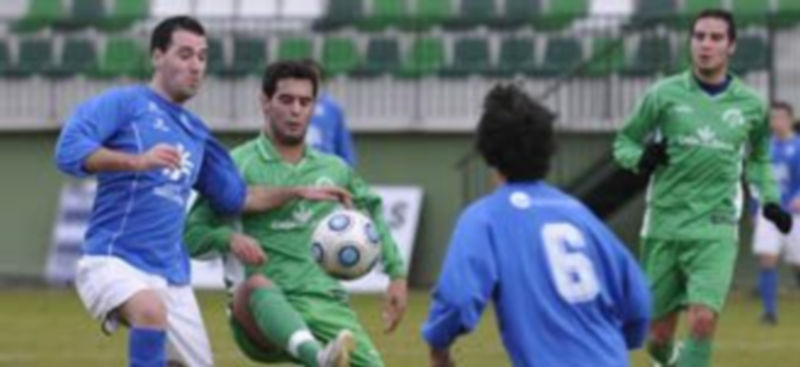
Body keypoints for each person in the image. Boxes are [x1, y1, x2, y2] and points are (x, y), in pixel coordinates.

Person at [53, 16, 251, 366]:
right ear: (158, 56)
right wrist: (137, 161)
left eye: (202, 57)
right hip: (112, 260)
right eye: (185, 55)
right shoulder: (126, 104)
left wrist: (296, 191)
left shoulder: (196, 133)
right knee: (150, 310)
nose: (196, 66)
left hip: (173, 277)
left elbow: (234, 198)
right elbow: (68, 151)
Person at [184, 60, 407, 367]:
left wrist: (396, 275)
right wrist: (228, 239)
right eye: (286, 100)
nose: (296, 111)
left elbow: (372, 210)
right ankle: (318, 358)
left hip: (325, 303)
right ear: (265, 102)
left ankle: (321, 357)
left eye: (305, 102)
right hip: (259, 312)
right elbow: (191, 236)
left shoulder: (334, 169)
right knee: (256, 285)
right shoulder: (237, 165)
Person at [421, 84, 652, 366]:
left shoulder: (485, 218)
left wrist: (439, 346)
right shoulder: (578, 213)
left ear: (487, 150)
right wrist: (621, 342)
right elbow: (638, 299)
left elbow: (458, 299)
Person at [613, 9, 793, 367]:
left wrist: (770, 200)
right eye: (699, 37)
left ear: (731, 46)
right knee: (656, 339)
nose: (705, 45)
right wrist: (641, 158)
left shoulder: (751, 105)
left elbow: (758, 159)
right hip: (664, 225)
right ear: (690, 42)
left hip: (716, 226)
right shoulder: (663, 94)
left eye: (715, 38)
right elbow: (624, 142)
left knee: (703, 319)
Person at [752, 101, 800, 325]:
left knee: (797, 262)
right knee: (766, 258)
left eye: (780, 117)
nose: (776, 122)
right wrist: (754, 209)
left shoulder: (798, 146)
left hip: (794, 214)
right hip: (769, 212)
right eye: (772, 117)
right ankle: (769, 312)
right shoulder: (764, 147)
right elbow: (756, 181)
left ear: (790, 119)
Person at [300, 59, 357, 166]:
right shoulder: (287, 107)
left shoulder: (333, 108)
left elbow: (343, 145)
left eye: (314, 78)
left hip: (325, 169)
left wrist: (348, 168)